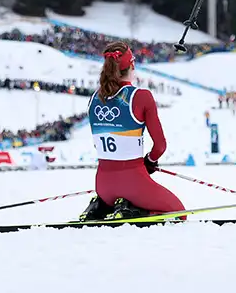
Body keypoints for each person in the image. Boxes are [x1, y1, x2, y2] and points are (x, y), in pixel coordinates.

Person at [77, 42, 183, 222]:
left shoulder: (94, 98)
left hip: (103, 185)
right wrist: (149, 161)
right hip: (133, 182)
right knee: (178, 213)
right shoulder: (141, 96)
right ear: (131, 66)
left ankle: (101, 207)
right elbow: (160, 146)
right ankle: (131, 210)